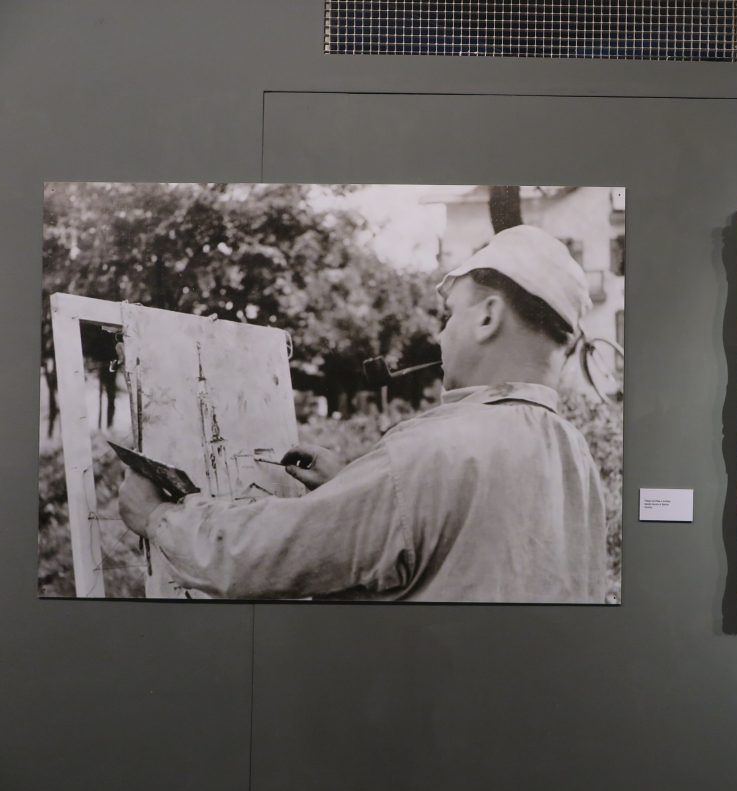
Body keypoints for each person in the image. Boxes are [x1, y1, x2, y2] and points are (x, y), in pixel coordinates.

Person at [118, 225, 609, 603]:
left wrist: (160, 517)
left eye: (449, 316)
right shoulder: (574, 455)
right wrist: (355, 485)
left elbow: (258, 554)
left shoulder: (427, 451)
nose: (441, 336)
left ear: (488, 317)